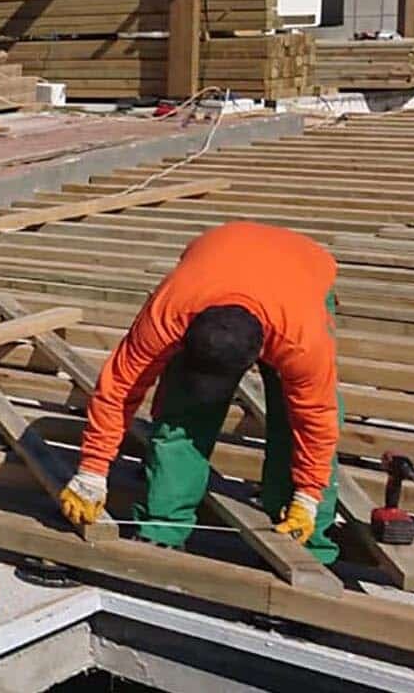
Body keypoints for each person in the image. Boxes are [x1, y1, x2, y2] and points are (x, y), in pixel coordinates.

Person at [57, 220, 344, 564]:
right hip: (213, 260)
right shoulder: (170, 314)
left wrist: (309, 495)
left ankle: (306, 541)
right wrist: (92, 470)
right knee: (183, 413)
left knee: (292, 420)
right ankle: (162, 528)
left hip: (302, 270)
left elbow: (316, 422)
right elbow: (119, 387)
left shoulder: (300, 341)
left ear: (260, 354)